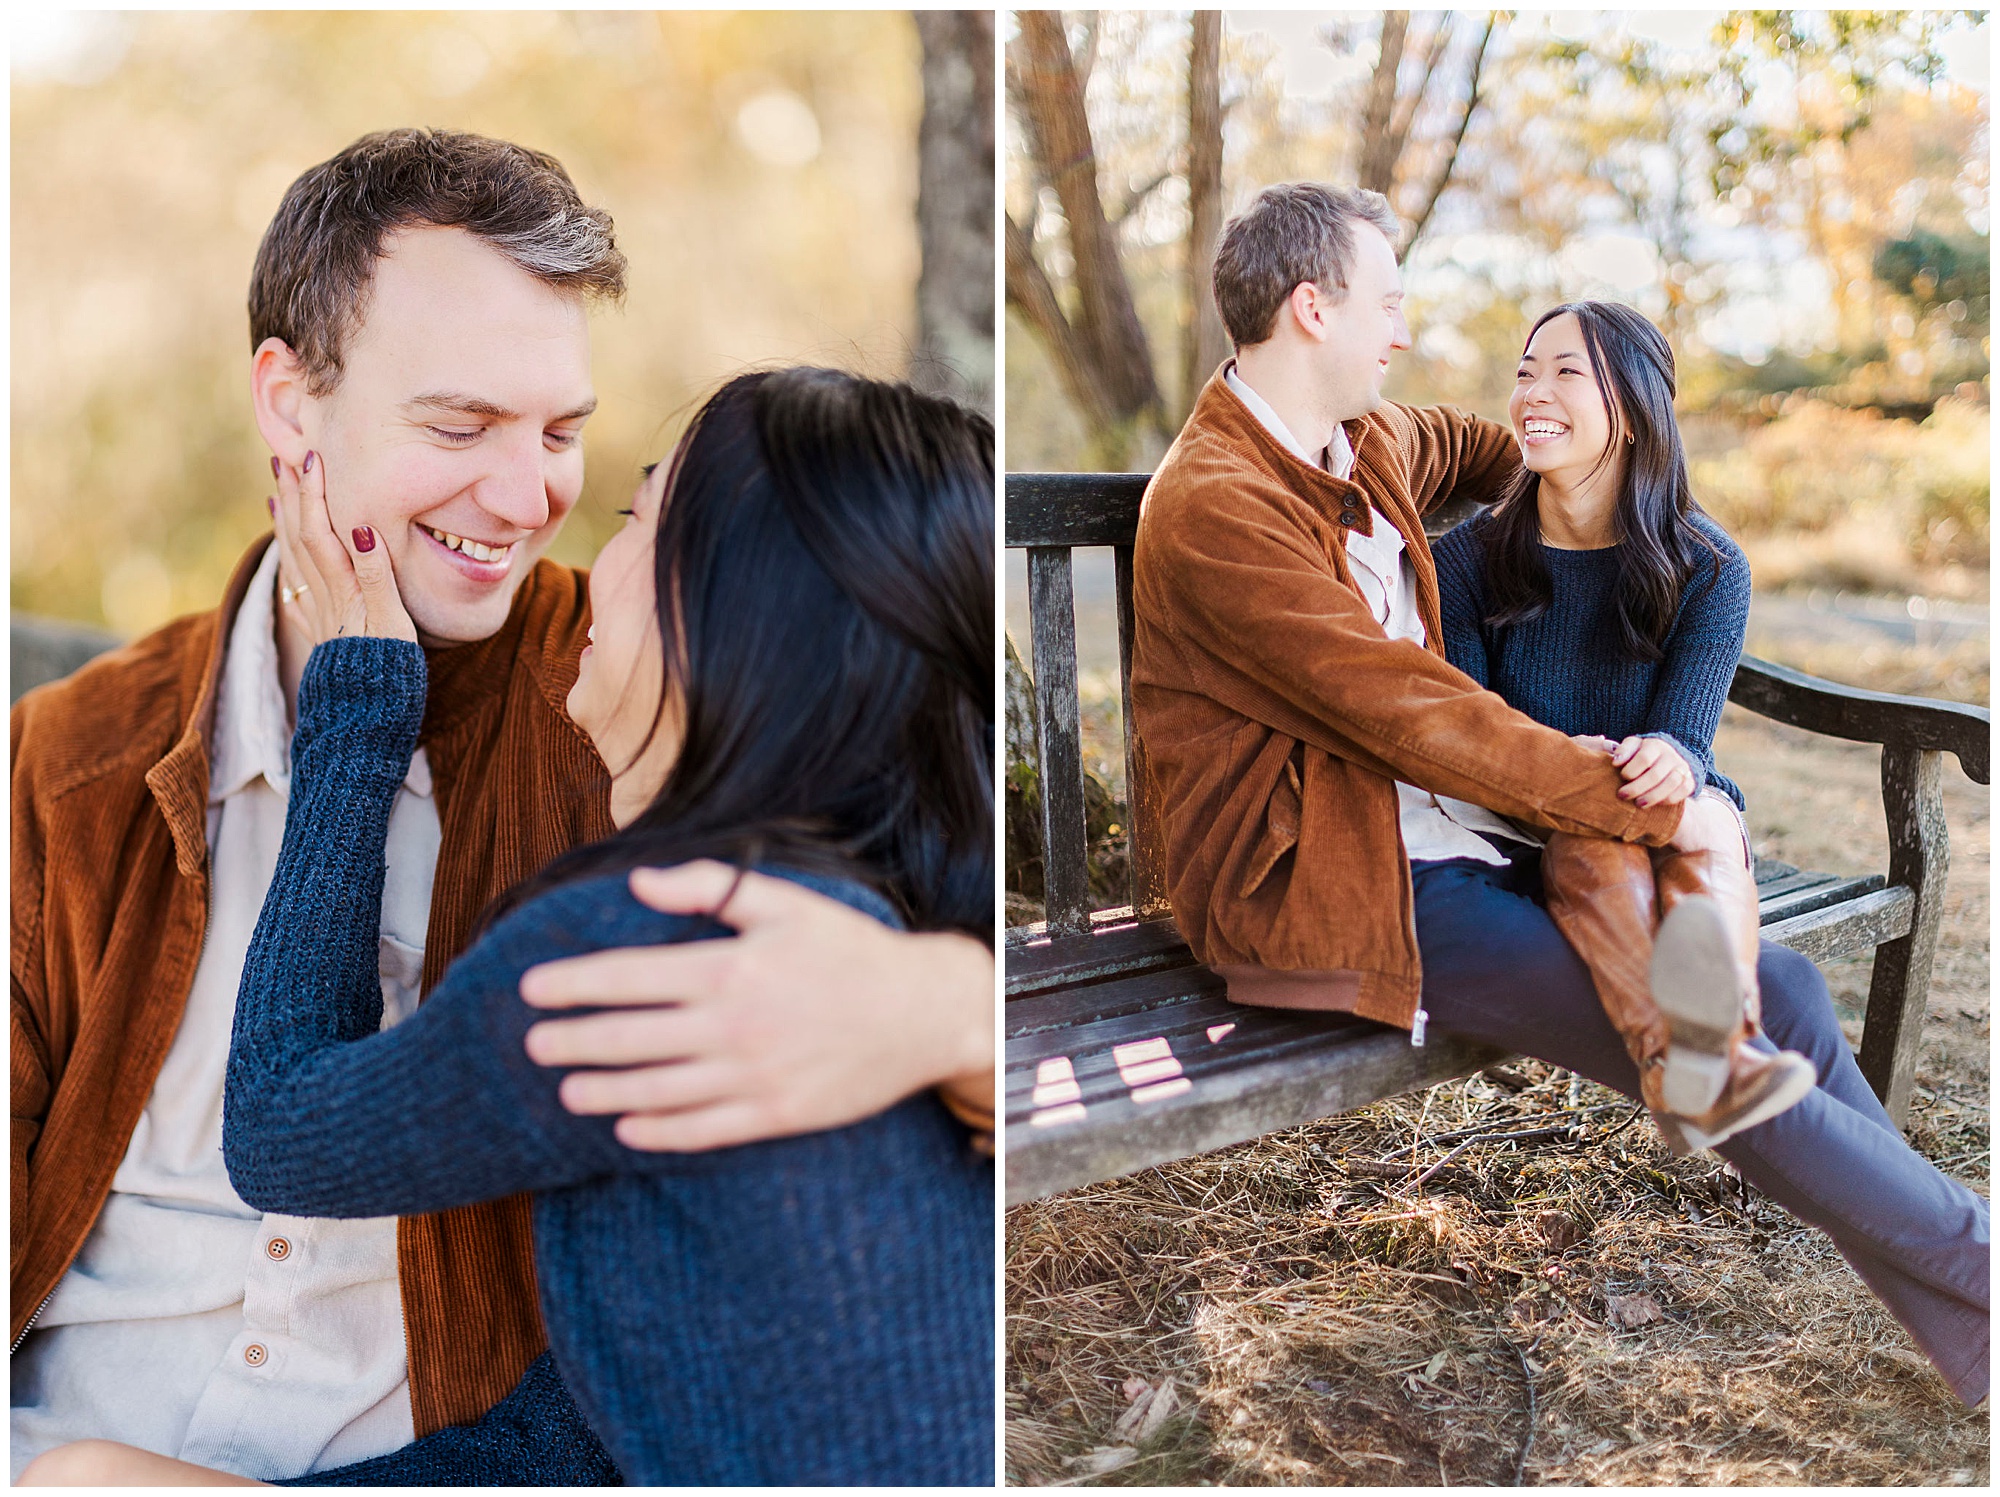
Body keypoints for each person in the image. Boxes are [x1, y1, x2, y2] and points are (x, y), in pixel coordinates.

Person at [10, 128, 993, 1484]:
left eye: (565, 435)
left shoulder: (646, 727)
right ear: (290, 404)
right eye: (460, 425)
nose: (529, 498)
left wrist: (943, 1005)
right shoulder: (61, 765)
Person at [1128, 180, 1988, 1405]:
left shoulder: (1362, 440)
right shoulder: (1219, 507)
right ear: (1311, 310)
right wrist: (1648, 801)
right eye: (1387, 302)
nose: (1405, 331)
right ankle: (1980, 1264)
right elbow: (1412, 717)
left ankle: (1973, 1347)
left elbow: (1497, 448)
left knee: (1780, 987)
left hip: (1460, 840)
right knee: (1705, 1054)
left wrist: (1579, 453)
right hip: (1330, 874)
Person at [1432, 300, 1816, 1152]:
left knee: (1709, 822)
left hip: (1664, 808)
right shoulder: (1466, 559)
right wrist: (1579, 774)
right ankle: (1695, 1065)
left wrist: (1671, 758)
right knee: (1596, 840)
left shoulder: (1708, 565)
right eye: (1526, 370)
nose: (1534, 389)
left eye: (1567, 371)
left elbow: (1687, 737)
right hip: (1530, 823)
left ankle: (1715, 1064)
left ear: (1635, 412)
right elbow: (1468, 735)